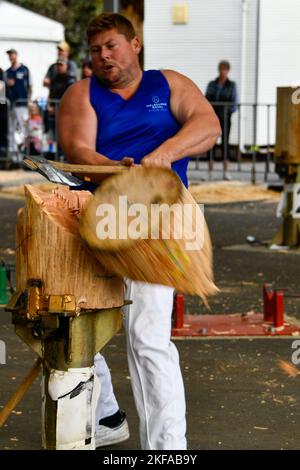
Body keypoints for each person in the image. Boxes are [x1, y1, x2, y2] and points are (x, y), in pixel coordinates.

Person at [58, 13, 220, 450]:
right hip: (98, 216)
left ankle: (168, 449)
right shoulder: (82, 93)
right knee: (70, 325)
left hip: (159, 220)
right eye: (95, 51)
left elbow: (208, 126)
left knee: (148, 338)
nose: (104, 57)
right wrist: (117, 170)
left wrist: (162, 155)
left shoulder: (168, 83)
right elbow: (78, 149)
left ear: (135, 43)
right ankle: (106, 414)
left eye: (111, 46)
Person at [205, 60, 238, 180]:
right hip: (213, 117)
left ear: (228, 71)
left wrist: (228, 111)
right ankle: (210, 171)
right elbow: (206, 99)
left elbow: (234, 102)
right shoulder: (212, 84)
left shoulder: (232, 85)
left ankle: (226, 171)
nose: (223, 71)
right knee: (211, 143)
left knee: (225, 143)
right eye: (221, 69)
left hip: (225, 117)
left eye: (225, 69)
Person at [5, 49, 32, 155]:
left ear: (16, 55)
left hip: (21, 104)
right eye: (9, 55)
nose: (11, 57)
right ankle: (12, 152)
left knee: (22, 128)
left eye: (12, 55)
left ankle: (24, 152)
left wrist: (29, 99)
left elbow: (30, 86)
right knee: (11, 128)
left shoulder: (24, 69)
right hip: (11, 104)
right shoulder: (7, 72)